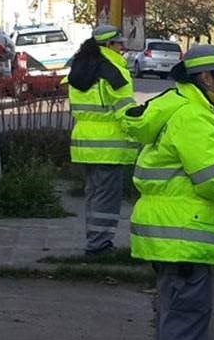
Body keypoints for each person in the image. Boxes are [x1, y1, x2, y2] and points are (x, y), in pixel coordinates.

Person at [123, 44, 214, 340]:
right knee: (187, 320)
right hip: (183, 236)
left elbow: (198, 164)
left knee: (176, 314)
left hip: (172, 234)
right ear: (205, 78)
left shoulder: (183, 106)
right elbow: (213, 181)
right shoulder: (194, 117)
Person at [67, 24, 139, 255]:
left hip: (85, 144)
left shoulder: (79, 67)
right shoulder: (114, 70)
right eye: (120, 44)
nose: (123, 49)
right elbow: (125, 111)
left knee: (94, 194)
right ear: (109, 45)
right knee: (107, 199)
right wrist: (143, 129)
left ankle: (94, 239)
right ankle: (99, 245)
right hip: (110, 146)